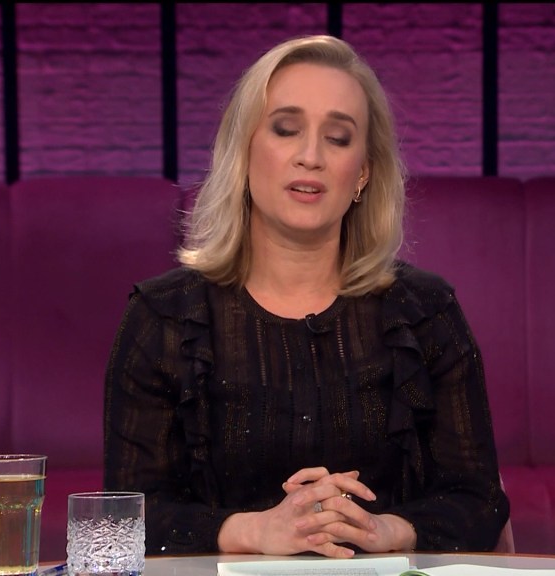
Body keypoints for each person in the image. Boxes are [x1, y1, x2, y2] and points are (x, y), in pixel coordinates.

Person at [103, 34, 511, 559]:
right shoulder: (162, 318)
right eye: (286, 129)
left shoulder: (426, 313)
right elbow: (124, 518)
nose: (311, 157)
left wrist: (385, 530)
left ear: (362, 173)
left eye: (338, 138)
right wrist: (253, 532)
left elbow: (480, 502)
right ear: (243, 151)